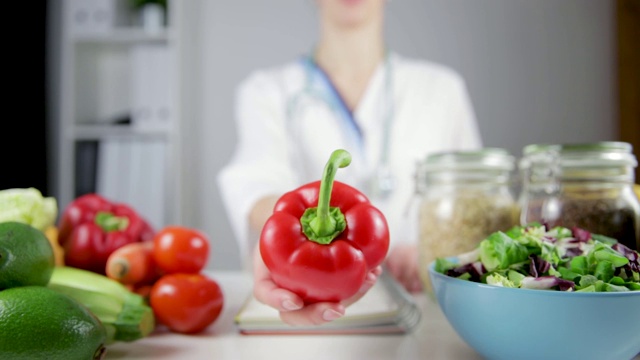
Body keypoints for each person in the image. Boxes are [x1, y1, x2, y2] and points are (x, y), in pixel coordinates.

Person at [217, 0, 482, 326]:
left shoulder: (441, 89)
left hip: (427, 312)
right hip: (305, 306)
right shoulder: (267, 90)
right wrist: (282, 244)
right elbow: (257, 183)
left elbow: (472, 200)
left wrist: (428, 252)